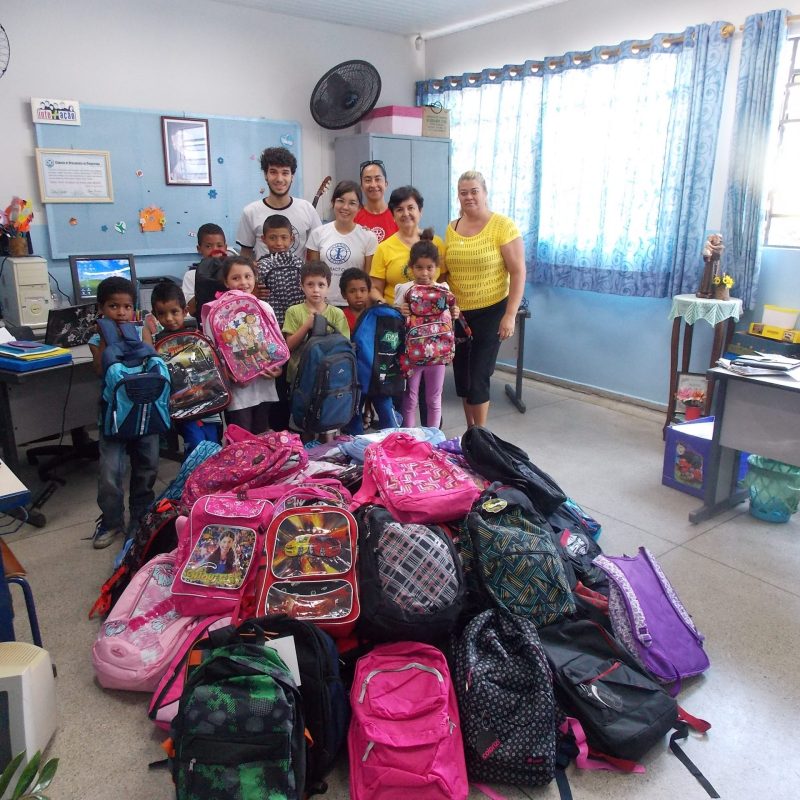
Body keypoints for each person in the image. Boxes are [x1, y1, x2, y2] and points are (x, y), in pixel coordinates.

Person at [445, 171, 526, 429]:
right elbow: (446, 270)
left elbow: (518, 271)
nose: (468, 197)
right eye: (463, 192)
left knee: (479, 375)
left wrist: (510, 315)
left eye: (474, 191)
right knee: (464, 378)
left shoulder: (503, 226)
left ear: (485, 192)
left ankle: (481, 435)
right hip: (459, 314)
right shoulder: (452, 227)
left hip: (492, 310)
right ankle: (471, 432)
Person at [88, 277, 159, 549]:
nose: (120, 312)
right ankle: (111, 520)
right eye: (113, 306)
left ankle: (141, 516)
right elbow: (98, 369)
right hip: (114, 414)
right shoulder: (97, 336)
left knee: (148, 465)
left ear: (134, 309)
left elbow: (152, 360)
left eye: (126, 307)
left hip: (144, 410)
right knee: (110, 471)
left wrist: (140, 336)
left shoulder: (142, 330)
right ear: (101, 308)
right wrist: (108, 339)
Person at [203, 256, 282, 434]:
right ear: (226, 281)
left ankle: (263, 463)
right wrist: (227, 373)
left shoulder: (264, 307)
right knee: (241, 433)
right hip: (238, 387)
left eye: (248, 276)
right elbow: (211, 351)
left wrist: (278, 367)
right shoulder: (216, 313)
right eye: (236, 278)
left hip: (264, 382)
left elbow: (276, 343)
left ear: (255, 278)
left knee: (262, 431)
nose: (243, 282)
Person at [394, 232, 459, 429]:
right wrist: (400, 310)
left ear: (437, 268)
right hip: (411, 354)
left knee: (434, 398)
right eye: (419, 268)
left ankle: (433, 440)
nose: (424, 273)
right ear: (411, 268)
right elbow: (396, 321)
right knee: (410, 397)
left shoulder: (444, 288)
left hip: (438, 354)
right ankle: (409, 438)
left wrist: (455, 311)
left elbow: (450, 318)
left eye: (430, 268)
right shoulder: (404, 289)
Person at [149, 281, 222, 455]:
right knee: (196, 448)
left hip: (209, 403)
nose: (169, 318)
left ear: (184, 311)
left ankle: (214, 480)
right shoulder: (157, 343)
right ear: (155, 315)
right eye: (162, 314)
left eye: (174, 312)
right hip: (183, 408)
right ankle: (194, 480)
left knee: (215, 446)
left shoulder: (197, 336)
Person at [282, 261, 350, 436]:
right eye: (310, 285)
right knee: (303, 420)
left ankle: (328, 456)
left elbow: (345, 346)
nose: (316, 290)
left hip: (329, 378)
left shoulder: (337, 314)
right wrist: (307, 325)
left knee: (328, 422)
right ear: (302, 286)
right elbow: (288, 346)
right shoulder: (294, 312)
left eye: (321, 285)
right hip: (300, 376)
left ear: (328, 286)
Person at [255, 214, 305, 431]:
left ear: (292, 239)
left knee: (296, 377)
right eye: (273, 238)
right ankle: (278, 427)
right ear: (263, 239)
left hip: (296, 329)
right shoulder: (260, 267)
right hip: (272, 331)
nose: (279, 243)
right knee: (277, 380)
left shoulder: (300, 264)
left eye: (284, 238)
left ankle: (296, 425)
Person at [340, 268, 399, 434]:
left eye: (362, 290)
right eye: (352, 291)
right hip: (354, 378)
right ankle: (354, 444)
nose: (358, 295)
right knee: (354, 413)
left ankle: (395, 442)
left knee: (387, 411)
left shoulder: (379, 316)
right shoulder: (341, 316)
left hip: (377, 375)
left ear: (369, 292)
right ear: (344, 295)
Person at [236, 147, 321, 261]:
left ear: (292, 177)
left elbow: (318, 249)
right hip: (263, 277)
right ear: (266, 175)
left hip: (299, 278)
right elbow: (245, 255)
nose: (279, 179)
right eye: (273, 172)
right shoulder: (250, 212)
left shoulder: (307, 209)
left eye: (285, 173)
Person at [369, 186, 445, 305]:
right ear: (393, 215)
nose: (406, 213)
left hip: (431, 316)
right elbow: (375, 289)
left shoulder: (437, 243)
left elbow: (442, 280)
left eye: (411, 208)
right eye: (399, 209)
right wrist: (386, 306)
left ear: (420, 211)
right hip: (396, 316)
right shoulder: (383, 248)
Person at [306, 180, 378, 306]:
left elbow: (368, 280)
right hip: (324, 305)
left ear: (359, 207)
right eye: (340, 201)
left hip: (355, 307)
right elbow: (312, 275)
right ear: (333, 202)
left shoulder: (368, 237)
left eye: (352, 203)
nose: (345, 207)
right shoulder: (318, 234)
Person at [182, 223, 228, 316]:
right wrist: (204, 285)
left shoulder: (233, 272)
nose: (215, 250)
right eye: (208, 246)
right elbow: (191, 309)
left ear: (226, 248)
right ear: (199, 249)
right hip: (205, 323)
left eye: (219, 246)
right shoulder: (191, 275)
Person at [354, 159, 398, 244]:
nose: (373, 185)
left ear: (386, 184)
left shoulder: (398, 214)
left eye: (378, 179)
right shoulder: (354, 217)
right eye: (368, 180)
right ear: (361, 186)